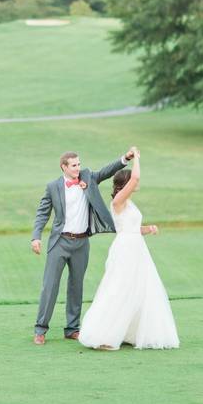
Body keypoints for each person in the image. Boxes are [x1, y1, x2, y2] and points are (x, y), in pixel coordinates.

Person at [78, 148, 179, 350]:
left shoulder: (128, 203)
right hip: (125, 250)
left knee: (139, 289)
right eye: (132, 183)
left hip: (137, 248)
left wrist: (148, 229)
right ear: (125, 185)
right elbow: (135, 178)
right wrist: (136, 159)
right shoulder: (118, 202)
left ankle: (128, 332)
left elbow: (131, 228)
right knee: (120, 288)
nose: (137, 184)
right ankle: (105, 334)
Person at [30, 148, 134, 345]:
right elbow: (42, 213)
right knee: (50, 286)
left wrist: (125, 158)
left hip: (81, 243)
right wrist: (36, 237)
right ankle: (40, 329)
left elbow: (106, 171)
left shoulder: (88, 177)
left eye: (79, 164)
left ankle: (72, 328)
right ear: (64, 167)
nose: (78, 168)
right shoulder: (53, 187)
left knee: (76, 286)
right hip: (60, 242)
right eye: (74, 165)